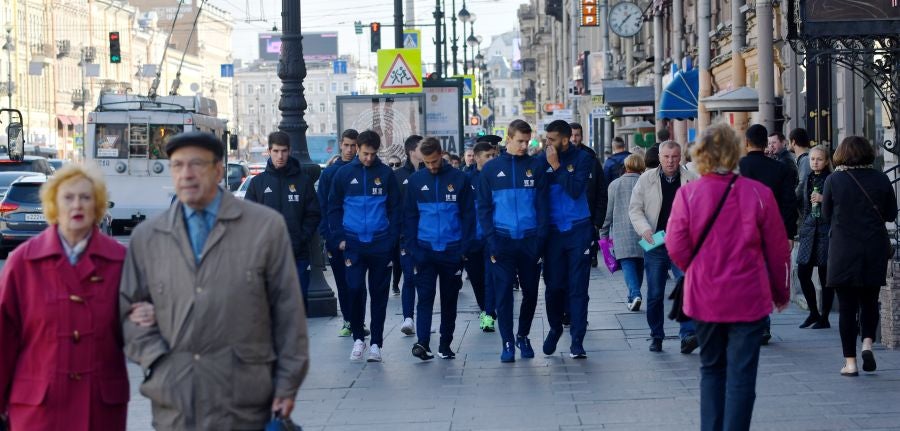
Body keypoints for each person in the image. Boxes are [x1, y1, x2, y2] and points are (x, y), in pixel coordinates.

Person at [120, 132, 309, 429]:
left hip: (245, 399)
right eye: (178, 165)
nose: (186, 174)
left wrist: (286, 384)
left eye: (196, 164)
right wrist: (158, 363)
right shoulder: (149, 237)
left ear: (218, 170)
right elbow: (128, 312)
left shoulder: (263, 227)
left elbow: (289, 314)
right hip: (176, 402)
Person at [667, 122, 791, 431]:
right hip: (748, 296)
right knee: (742, 375)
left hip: (705, 296)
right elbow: (778, 251)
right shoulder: (758, 193)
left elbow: (676, 245)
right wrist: (781, 292)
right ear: (736, 152)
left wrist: (697, 269)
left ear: (701, 155)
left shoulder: (689, 194)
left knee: (711, 369)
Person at [0, 165, 128, 431]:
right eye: (68, 198)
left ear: (98, 205)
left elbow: (136, 333)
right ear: (53, 205)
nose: (77, 205)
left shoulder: (119, 260)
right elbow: (4, 339)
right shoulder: (23, 262)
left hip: (99, 407)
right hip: (39, 408)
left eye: (86, 197)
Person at [823, 136, 897, 376]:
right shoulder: (881, 178)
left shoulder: (834, 180)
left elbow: (825, 215)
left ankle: (851, 363)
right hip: (873, 248)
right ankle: (867, 344)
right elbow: (889, 214)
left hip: (844, 251)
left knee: (846, 307)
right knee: (869, 300)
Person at [477, 119, 548, 362]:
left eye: (527, 142)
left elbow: (542, 206)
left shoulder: (536, 166)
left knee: (530, 293)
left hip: (529, 241)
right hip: (502, 241)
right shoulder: (490, 169)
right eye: (520, 141)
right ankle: (507, 341)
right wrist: (492, 240)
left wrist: (540, 239)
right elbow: (484, 209)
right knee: (504, 293)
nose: (524, 146)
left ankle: (523, 335)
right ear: (508, 139)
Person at [328, 130, 401, 362]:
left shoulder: (386, 174)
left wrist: (390, 240)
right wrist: (339, 238)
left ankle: (376, 344)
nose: (369, 158)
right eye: (365, 153)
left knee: (379, 295)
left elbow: (395, 210)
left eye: (373, 154)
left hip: (380, 245)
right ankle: (358, 338)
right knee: (355, 289)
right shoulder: (343, 174)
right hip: (353, 244)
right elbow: (334, 208)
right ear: (357, 149)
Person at [405, 138, 474, 360]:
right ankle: (423, 343)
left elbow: (468, 216)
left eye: (435, 161)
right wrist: (413, 249)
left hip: (452, 250)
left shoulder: (459, 178)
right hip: (424, 251)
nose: (432, 166)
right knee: (424, 298)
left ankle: (445, 344)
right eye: (427, 163)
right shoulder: (415, 181)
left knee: (449, 300)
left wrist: (463, 249)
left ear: (441, 154)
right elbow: (409, 217)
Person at [628, 140, 699, 353]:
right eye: (666, 157)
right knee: (656, 292)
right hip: (656, 242)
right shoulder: (646, 179)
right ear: (659, 157)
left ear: (681, 158)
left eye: (674, 157)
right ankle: (656, 335)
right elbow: (635, 209)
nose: (670, 161)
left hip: (682, 243)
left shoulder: (691, 179)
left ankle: (688, 334)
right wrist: (645, 230)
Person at [244, 131, 321, 308]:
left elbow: (313, 214)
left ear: (290, 151)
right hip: (267, 257)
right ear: (269, 151)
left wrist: (301, 237)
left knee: (298, 304)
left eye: (284, 151)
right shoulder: (258, 183)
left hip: (298, 254)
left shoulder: (303, 181)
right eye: (276, 151)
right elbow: (248, 217)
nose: (280, 156)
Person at [539, 120, 594, 358]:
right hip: (552, 233)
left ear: (565, 139)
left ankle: (577, 340)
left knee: (578, 287)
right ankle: (554, 327)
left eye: (551, 140)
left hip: (578, 229)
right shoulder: (541, 160)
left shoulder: (583, 159)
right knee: (553, 287)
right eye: (546, 139)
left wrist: (557, 166)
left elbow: (574, 191)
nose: (547, 144)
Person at [739, 124, 798, 345]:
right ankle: (762, 325)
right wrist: (790, 233)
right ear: (766, 144)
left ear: (746, 142)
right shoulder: (780, 169)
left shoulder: (738, 167)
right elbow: (788, 204)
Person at [318, 129, 365, 337]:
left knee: (357, 284)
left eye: (353, 145)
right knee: (343, 283)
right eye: (346, 145)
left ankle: (358, 321)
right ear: (340, 145)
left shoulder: (363, 169)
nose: (349, 149)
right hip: (336, 238)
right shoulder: (329, 173)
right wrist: (328, 236)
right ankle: (348, 320)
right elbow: (323, 207)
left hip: (357, 236)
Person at [600, 154, 647, 312]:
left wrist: (604, 233)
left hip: (622, 232)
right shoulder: (646, 183)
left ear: (626, 166)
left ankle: (634, 294)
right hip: (644, 230)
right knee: (639, 264)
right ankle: (633, 296)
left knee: (627, 264)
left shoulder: (615, 184)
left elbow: (608, 212)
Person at [465, 138, 500, 332]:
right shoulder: (466, 178)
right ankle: (485, 308)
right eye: (488, 156)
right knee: (477, 278)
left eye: (494, 155)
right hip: (472, 238)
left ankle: (488, 313)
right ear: (477, 158)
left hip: (491, 236)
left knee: (489, 277)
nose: (492, 159)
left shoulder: (497, 177)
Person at [796, 146, 834, 329]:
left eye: (819, 159)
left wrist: (823, 198)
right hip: (809, 229)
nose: (815, 162)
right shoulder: (808, 178)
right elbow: (802, 202)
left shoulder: (831, 179)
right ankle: (813, 312)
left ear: (826, 161)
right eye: (812, 159)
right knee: (803, 272)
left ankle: (824, 317)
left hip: (826, 230)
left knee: (825, 275)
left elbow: (840, 203)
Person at [393, 135, 424, 333]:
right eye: (422, 147)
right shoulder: (397, 176)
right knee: (409, 278)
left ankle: (423, 318)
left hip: (427, 236)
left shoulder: (430, 173)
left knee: (425, 280)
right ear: (412, 151)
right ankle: (408, 318)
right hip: (406, 237)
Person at [571, 122, 608, 273]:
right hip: (567, 221)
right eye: (571, 135)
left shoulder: (591, 158)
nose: (574, 138)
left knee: (587, 265)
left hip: (589, 218)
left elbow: (601, 191)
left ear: (582, 136)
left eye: (577, 135)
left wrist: (598, 222)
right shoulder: (557, 157)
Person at [789, 128, 812, 209]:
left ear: (793, 142)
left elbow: (803, 184)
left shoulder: (805, 159)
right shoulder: (803, 158)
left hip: (806, 208)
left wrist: (791, 200)